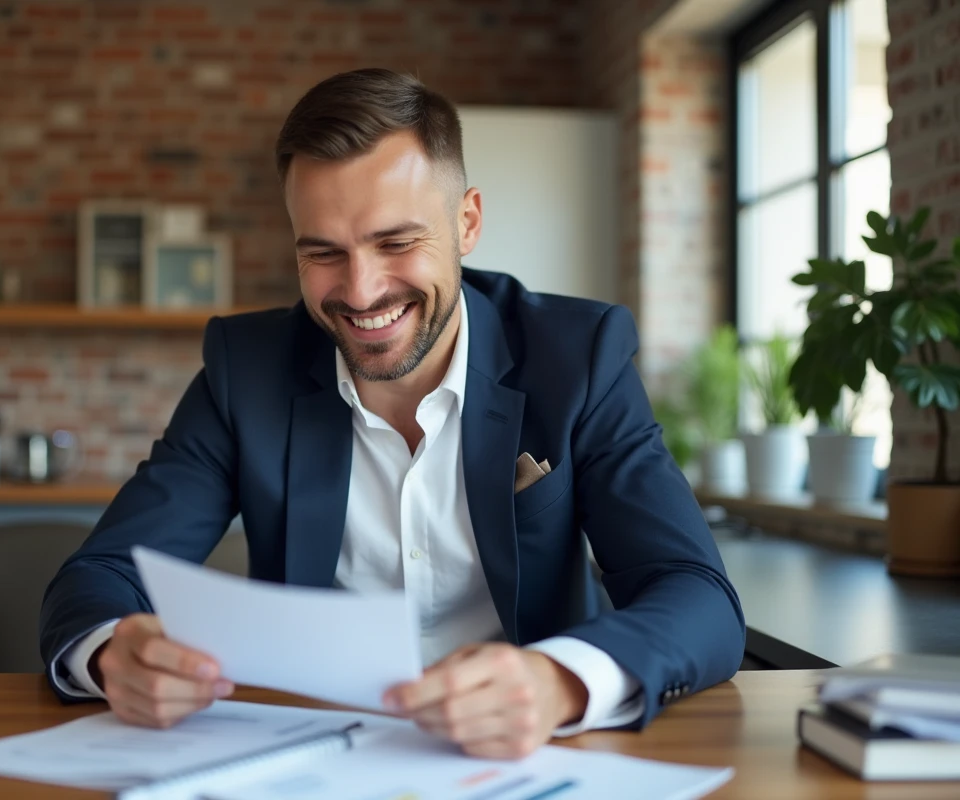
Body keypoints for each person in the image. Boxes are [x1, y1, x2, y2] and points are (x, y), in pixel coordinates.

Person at [40, 68, 745, 759]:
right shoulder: (244, 370)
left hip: (520, 758)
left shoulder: (577, 358)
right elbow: (101, 573)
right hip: (307, 756)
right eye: (323, 253)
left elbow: (697, 595)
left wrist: (559, 681)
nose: (361, 290)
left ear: (466, 222)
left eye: (396, 242)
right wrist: (111, 655)